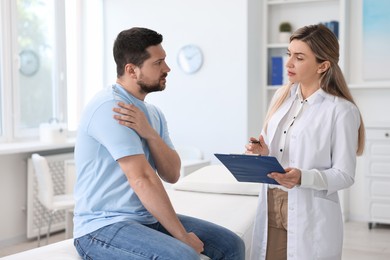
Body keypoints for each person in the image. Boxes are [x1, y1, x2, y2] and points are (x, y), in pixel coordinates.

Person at [73, 27, 245, 260]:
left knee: (231, 244)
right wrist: (182, 236)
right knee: (183, 256)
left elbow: (172, 173)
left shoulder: (152, 113)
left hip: (144, 220)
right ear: (131, 70)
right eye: (158, 63)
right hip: (102, 227)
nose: (167, 68)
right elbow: (141, 178)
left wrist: (150, 133)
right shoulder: (111, 108)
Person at [246, 24, 365, 260]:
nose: (289, 63)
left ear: (323, 65)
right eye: (289, 54)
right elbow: (278, 155)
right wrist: (263, 151)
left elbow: (345, 174)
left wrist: (303, 177)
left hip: (310, 211)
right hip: (272, 203)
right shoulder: (280, 97)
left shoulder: (341, 111)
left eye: (299, 57)